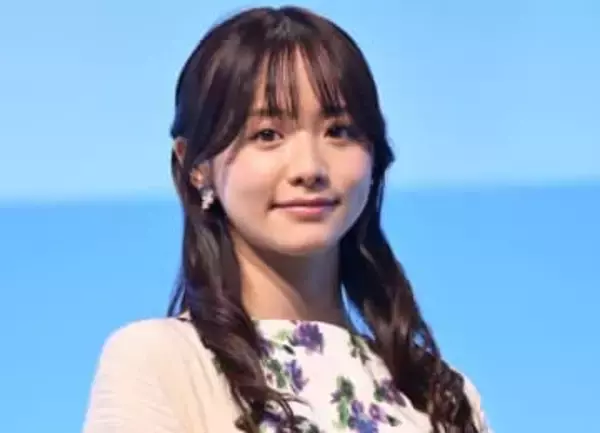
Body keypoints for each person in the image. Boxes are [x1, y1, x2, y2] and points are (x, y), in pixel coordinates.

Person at [82, 6, 492, 433]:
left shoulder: (442, 397)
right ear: (196, 165)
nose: (309, 167)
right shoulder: (159, 363)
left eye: (339, 131)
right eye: (267, 135)